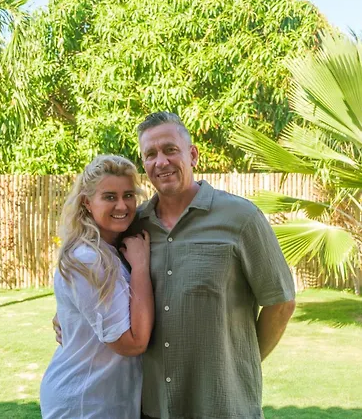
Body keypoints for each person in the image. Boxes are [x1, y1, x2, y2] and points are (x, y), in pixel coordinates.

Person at [54, 112, 296, 419]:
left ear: (192, 155)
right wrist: (68, 314)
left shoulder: (241, 218)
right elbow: (97, 281)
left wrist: (240, 365)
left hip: (223, 406)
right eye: (150, 154)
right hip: (154, 408)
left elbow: (281, 303)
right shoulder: (133, 225)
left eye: (170, 149)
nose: (161, 162)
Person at [40, 155, 154, 419]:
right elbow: (132, 344)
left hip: (104, 398)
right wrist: (141, 267)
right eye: (109, 197)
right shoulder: (88, 259)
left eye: (128, 195)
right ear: (87, 202)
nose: (122, 205)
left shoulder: (109, 249)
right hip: (84, 401)